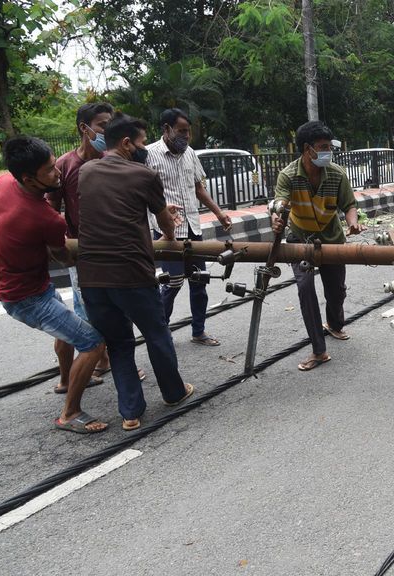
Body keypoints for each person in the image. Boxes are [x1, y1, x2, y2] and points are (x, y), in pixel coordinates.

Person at [78, 113, 195, 431]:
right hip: (131, 272)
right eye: (142, 142)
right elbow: (164, 221)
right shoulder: (142, 174)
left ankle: (130, 412)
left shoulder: (86, 171)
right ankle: (174, 392)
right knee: (157, 333)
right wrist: (170, 237)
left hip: (91, 276)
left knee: (118, 343)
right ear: (127, 143)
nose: (145, 147)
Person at [0, 137, 108, 433]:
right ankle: (70, 413)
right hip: (25, 297)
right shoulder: (46, 218)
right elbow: (65, 258)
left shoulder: (2, 184)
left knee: (65, 330)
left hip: (22, 283)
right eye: (51, 170)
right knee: (93, 343)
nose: (58, 174)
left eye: (56, 165)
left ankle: (66, 381)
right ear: (28, 178)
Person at [270, 120, 364, 372]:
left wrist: (353, 223)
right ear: (306, 149)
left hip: (332, 238)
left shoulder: (336, 174)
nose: (327, 152)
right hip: (300, 239)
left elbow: (350, 206)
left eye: (328, 147)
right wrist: (277, 218)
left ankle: (334, 324)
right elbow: (279, 203)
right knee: (305, 289)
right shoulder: (288, 176)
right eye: (322, 147)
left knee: (336, 291)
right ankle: (319, 350)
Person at [47, 102, 124, 385]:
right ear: (85, 128)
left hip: (114, 247)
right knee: (86, 308)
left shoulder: (114, 160)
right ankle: (98, 360)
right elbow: (51, 207)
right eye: (103, 125)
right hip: (80, 250)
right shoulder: (65, 165)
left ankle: (110, 359)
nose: (108, 130)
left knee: (115, 306)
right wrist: (62, 243)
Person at [147, 108, 232, 347]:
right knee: (172, 284)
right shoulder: (149, 155)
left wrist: (219, 213)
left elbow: (199, 188)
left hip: (193, 228)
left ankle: (199, 331)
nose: (186, 136)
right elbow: (143, 191)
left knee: (199, 282)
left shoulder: (190, 154)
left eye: (188, 131)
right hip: (168, 231)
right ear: (167, 129)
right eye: (181, 131)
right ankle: (160, 334)